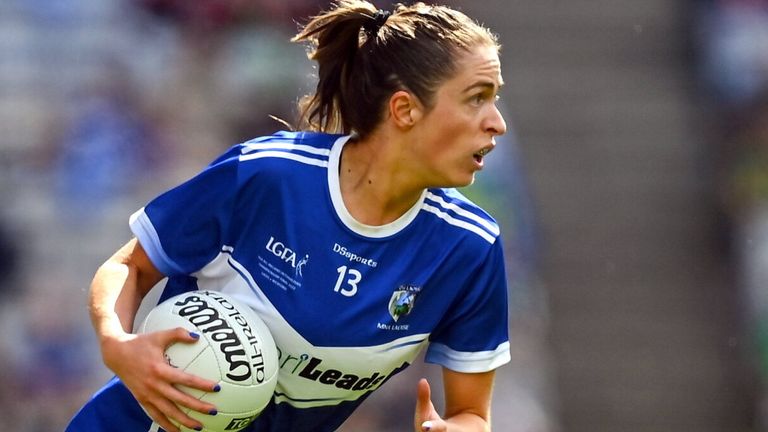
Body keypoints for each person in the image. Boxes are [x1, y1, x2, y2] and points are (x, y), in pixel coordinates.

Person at [66, 1, 510, 431]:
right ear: (405, 109)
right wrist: (117, 343)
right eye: (477, 98)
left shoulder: (470, 248)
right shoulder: (268, 174)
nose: (496, 123)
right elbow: (130, 266)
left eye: (495, 100)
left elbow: (472, 413)